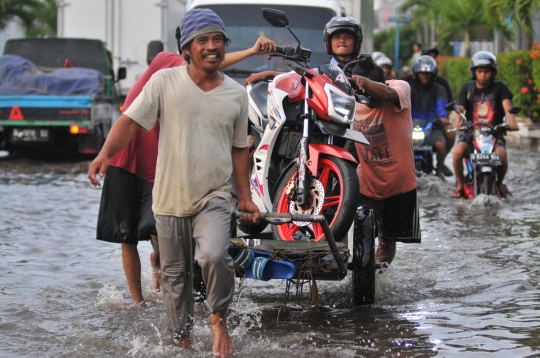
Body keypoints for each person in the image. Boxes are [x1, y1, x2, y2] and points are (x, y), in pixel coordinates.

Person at [89, 8, 260, 357]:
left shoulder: (235, 95)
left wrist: (245, 197)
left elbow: (240, 150)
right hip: (168, 198)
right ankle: (181, 341)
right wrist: (105, 153)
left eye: (217, 40)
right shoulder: (164, 82)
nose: (211, 47)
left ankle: (218, 321)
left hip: (213, 196)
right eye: (203, 40)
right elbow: (131, 121)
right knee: (175, 277)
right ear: (186, 49)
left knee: (214, 255)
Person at [350, 55, 421, 264]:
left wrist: (365, 84)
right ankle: (362, 276)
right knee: (362, 236)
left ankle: (378, 276)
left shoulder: (400, 87)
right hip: (367, 184)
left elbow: (388, 93)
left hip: (401, 184)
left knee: (389, 241)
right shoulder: (350, 98)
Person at [451, 51, 519, 198]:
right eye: (479, 71)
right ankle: (460, 184)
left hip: (494, 134)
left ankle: (500, 183)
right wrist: (457, 121)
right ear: (474, 71)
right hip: (471, 134)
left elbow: (508, 108)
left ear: (492, 72)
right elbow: (460, 108)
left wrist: (512, 122)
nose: (482, 75)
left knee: (502, 155)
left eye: (486, 71)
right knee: (457, 153)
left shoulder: (500, 87)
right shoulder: (467, 88)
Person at [244, 16, 363, 85]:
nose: (342, 41)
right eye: (337, 37)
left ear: (357, 43)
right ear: (328, 44)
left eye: (348, 37)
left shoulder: (368, 69)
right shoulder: (323, 69)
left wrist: (364, 82)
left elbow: (382, 89)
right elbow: (303, 77)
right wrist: (269, 74)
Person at [406, 47, 454, 176]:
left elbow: (441, 105)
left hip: (432, 126)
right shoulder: (408, 86)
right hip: (410, 126)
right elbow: (402, 103)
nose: (425, 76)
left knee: (441, 145)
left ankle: (439, 171)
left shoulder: (440, 88)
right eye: (422, 73)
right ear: (417, 72)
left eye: (428, 73)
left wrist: (443, 117)